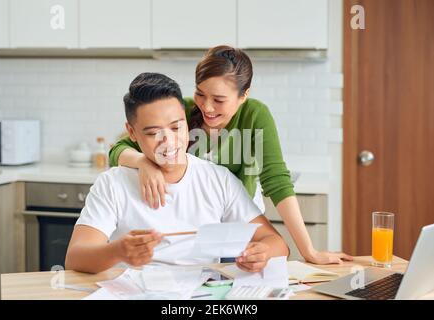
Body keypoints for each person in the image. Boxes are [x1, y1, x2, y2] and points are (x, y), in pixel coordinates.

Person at [109, 45, 352, 265]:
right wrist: (143, 162)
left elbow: (276, 180)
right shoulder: (180, 114)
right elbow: (118, 149)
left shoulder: (255, 115)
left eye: (219, 99)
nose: (207, 107)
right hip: (192, 232)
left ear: (243, 96)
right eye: (201, 94)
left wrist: (308, 251)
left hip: (239, 228)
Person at [65, 72, 288, 274]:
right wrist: (118, 252)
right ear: (132, 132)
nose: (169, 142)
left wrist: (263, 252)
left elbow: (277, 243)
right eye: (153, 133)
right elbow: (75, 258)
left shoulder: (218, 180)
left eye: (176, 127)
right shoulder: (112, 184)